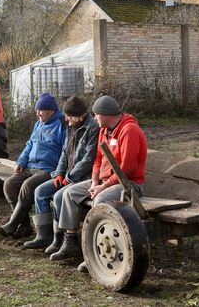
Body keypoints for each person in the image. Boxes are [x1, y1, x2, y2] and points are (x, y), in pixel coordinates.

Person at [50, 95, 147, 266]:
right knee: (69, 193)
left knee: (100, 200)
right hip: (104, 182)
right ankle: (70, 241)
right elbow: (97, 160)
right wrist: (95, 182)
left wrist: (103, 187)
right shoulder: (104, 131)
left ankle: (95, 252)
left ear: (106, 114)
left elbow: (127, 168)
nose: (94, 118)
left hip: (128, 184)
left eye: (96, 115)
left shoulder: (129, 130)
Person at [23, 95, 99, 251]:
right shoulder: (70, 126)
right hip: (66, 176)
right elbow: (64, 153)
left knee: (58, 196)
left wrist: (69, 177)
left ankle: (61, 239)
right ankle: (44, 235)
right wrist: (59, 173)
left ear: (80, 116)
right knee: (40, 191)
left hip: (82, 178)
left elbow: (88, 159)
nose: (66, 119)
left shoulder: (92, 129)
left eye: (69, 116)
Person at [0, 92, 66, 238]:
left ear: (50, 110)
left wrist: (59, 170)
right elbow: (29, 144)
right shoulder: (38, 124)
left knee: (27, 186)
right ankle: (24, 226)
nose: (38, 114)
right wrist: (21, 161)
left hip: (49, 170)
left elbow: (66, 152)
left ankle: (12, 223)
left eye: (40, 110)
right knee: (9, 184)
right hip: (30, 166)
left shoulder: (61, 125)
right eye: (37, 110)